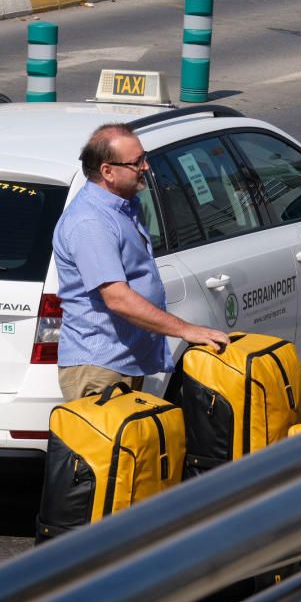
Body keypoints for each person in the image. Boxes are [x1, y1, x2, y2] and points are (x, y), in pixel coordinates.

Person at [53, 123, 229, 402]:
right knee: (108, 446)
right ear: (107, 172)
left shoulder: (122, 206)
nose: (146, 166)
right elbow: (118, 299)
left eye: (144, 157)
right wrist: (186, 330)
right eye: (137, 162)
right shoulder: (91, 222)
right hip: (102, 367)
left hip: (123, 362)